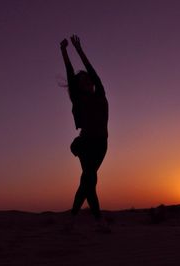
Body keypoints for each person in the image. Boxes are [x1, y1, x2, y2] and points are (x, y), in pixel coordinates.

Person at [60, 35, 109, 232]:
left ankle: (74, 219)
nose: (87, 81)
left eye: (88, 79)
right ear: (78, 86)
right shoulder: (79, 100)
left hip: (101, 144)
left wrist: (79, 50)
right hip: (86, 143)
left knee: (89, 181)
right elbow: (70, 73)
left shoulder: (100, 93)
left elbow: (93, 72)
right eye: (82, 81)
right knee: (89, 179)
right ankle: (96, 221)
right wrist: (64, 51)